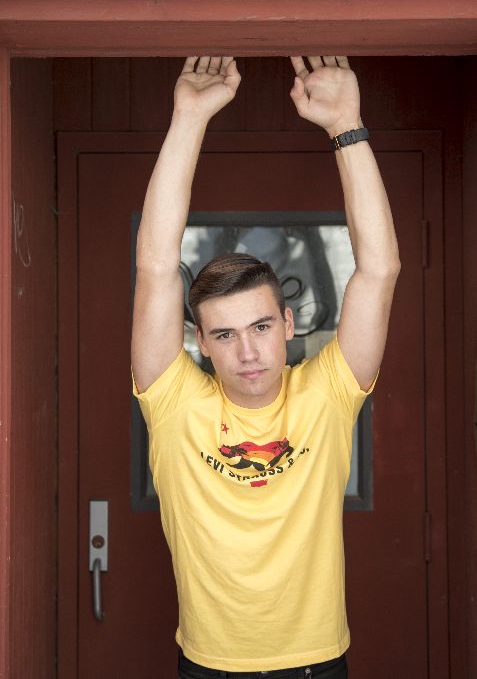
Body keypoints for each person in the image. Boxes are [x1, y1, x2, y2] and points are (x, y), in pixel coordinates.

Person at [131, 55, 400, 679]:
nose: (247, 352)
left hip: (316, 663)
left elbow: (379, 270)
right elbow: (155, 267)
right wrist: (189, 119)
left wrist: (348, 127)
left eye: (259, 327)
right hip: (208, 666)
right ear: (200, 343)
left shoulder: (327, 395)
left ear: (288, 324)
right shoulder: (174, 404)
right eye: (224, 335)